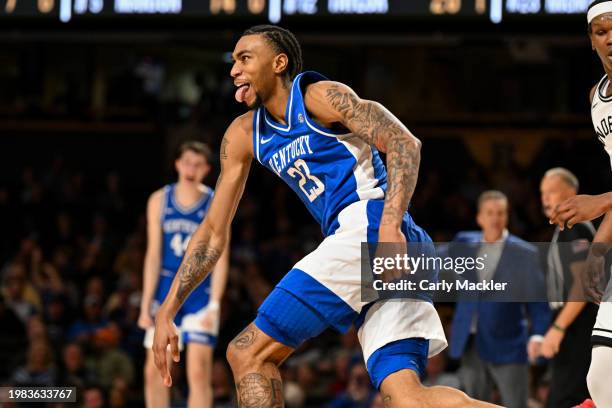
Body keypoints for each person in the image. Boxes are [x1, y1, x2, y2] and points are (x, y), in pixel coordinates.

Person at [152, 25, 499, 407]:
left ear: (279, 63)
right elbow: (213, 231)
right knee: (406, 398)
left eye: (245, 58)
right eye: (233, 61)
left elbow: (403, 142)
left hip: (372, 227)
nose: (234, 69)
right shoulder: (242, 134)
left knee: (248, 353)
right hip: (395, 242)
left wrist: (387, 228)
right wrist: (167, 309)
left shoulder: (317, 95)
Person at [548, 2, 612, 405]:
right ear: (591, 41)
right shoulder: (597, 99)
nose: (611, 38)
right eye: (602, 31)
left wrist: (599, 202)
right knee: (602, 372)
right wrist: (598, 255)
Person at [138, 141, 230, 408]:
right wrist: (145, 306)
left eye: (198, 164)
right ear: (177, 164)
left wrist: (215, 304)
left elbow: (221, 255)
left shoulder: (215, 202)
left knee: (199, 371)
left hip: (200, 292)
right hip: (167, 289)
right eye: (187, 162)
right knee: (155, 370)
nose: (192, 168)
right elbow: (153, 255)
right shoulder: (159, 200)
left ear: (207, 170)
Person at [449, 190, 550, 408]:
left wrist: (539, 335)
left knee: (515, 403)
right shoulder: (464, 243)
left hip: (508, 342)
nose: (495, 218)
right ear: (479, 217)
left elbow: (538, 301)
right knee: (473, 404)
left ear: (507, 216)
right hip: (469, 340)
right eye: (490, 213)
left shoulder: (525, 253)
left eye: (500, 213)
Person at [540, 168, 597, 407]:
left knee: (565, 399)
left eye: (552, 192)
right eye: (543, 193)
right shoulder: (565, 228)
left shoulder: (576, 226)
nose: (545, 198)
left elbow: (584, 283)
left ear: (572, 193)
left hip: (578, 323)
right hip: (573, 321)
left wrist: (558, 327)